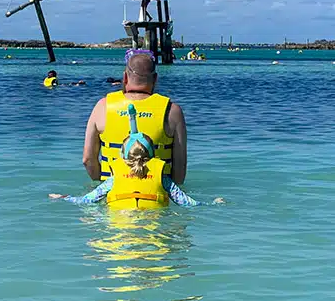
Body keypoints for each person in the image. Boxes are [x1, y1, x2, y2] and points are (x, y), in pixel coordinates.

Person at [53, 106, 222, 209]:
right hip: (154, 222)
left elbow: (87, 200)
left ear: (124, 157)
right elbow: (187, 203)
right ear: (152, 156)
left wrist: (64, 198)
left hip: (121, 222)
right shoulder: (161, 177)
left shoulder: (114, 178)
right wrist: (213, 204)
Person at [82, 49, 187, 185]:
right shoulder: (172, 111)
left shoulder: (103, 106)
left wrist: (103, 184)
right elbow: (180, 166)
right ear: (155, 79)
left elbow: (87, 160)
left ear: (125, 77)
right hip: (157, 198)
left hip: (114, 198)